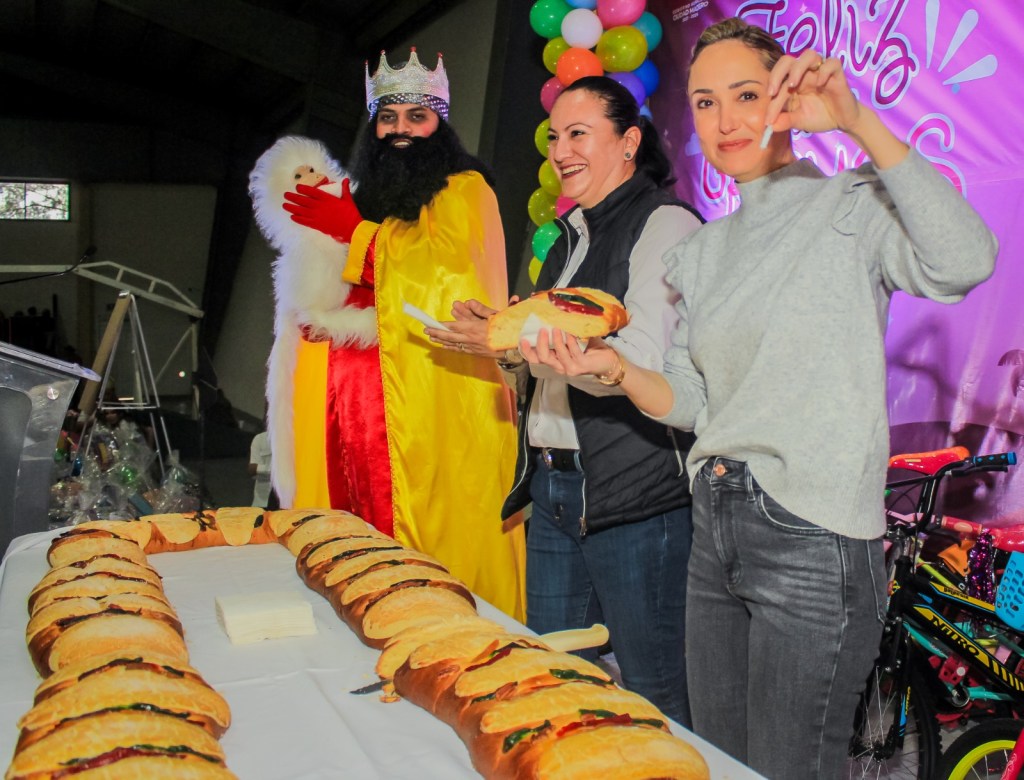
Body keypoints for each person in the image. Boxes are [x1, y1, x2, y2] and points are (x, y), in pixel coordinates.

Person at [517, 18, 998, 778]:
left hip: (811, 536)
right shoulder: (701, 251)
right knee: (718, 763)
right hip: (713, 530)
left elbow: (967, 258)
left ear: (785, 96)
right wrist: (608, 368)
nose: (725, 119)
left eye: (746, 94)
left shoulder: (852, 204)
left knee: (785, 768)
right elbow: (688, 398)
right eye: (704, 103)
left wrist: (859, 122)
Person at [425, 76, 704, 726]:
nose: (560, 150)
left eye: (579, 133)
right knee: (554, 680)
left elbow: (635, 355)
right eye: (555, 136)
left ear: (629, 141)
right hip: (552, 492)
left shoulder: (665, 223)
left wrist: (515, 331)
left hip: (636, 499)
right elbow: (550, 365)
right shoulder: (569, 237)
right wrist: (499, 339)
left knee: (655, 695)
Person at [258, 49, 526, 621]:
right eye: (388, 117)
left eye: (416, 117)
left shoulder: (465, 189)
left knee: (431, 561)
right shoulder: (363, 193)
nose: (400, 130)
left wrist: (356, 236)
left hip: (429, 411)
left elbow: (449, 284)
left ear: (440, 124)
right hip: (344, 414)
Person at [248, 430, 272, 508]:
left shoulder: (296, 439)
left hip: (289, 504)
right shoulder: (260, 439)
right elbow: (252, 469)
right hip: (262, 502)